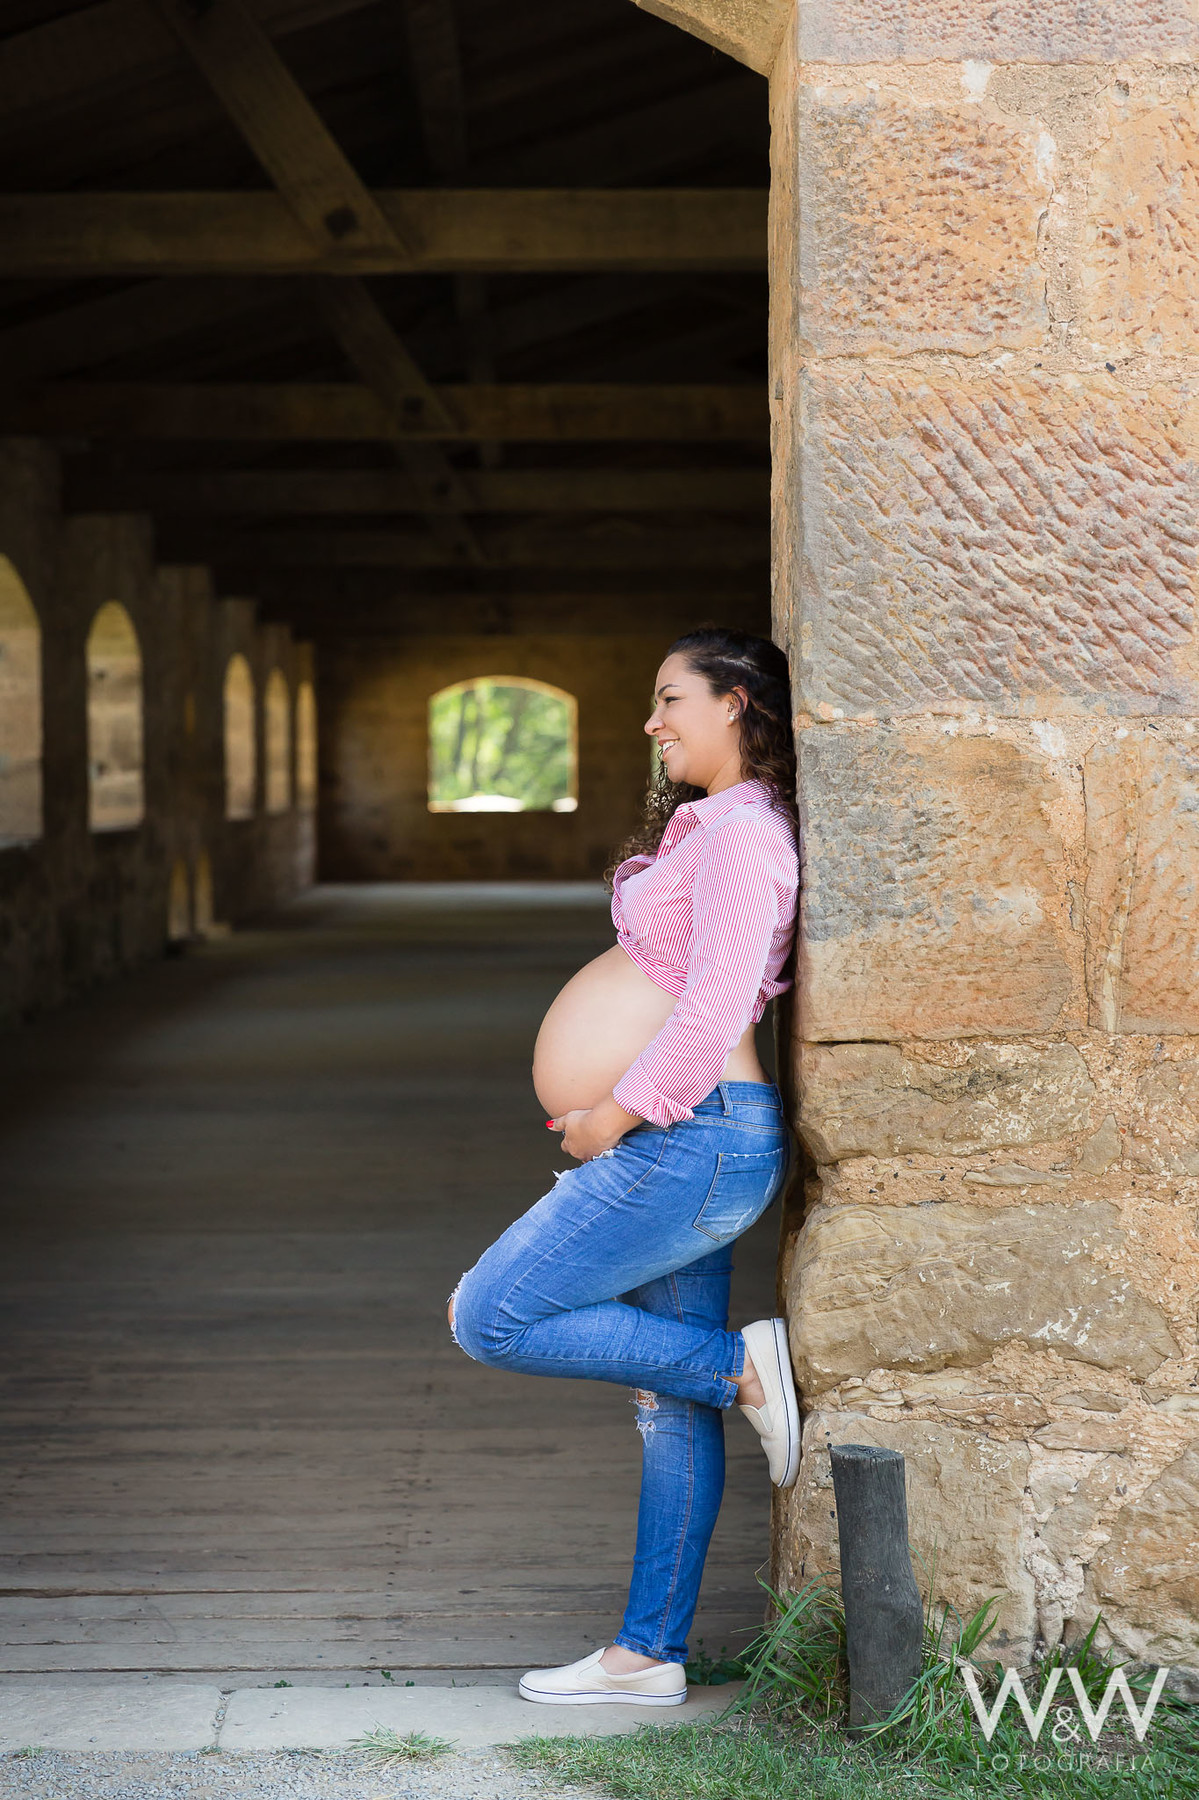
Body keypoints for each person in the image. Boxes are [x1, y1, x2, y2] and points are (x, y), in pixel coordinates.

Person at [447, 626, 801, 1709]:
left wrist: (615, 1112)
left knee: (490, 1314)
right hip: (681, 1137)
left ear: (735, 702)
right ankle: (649, 1654)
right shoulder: (709, 825)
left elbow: (716, 1001)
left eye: (669, 700)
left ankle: (737, 1367)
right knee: (662, 1406)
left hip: (689, 1135)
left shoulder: (743, 835)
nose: (651, 724)